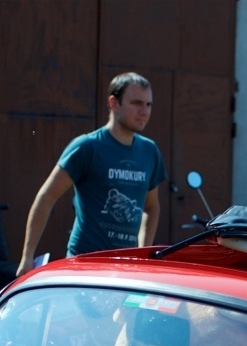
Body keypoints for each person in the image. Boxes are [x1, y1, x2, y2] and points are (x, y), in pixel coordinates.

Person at [18, 72, 165, 273]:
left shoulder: (149, 151)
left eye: (149, 105)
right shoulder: (87, 146)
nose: (144, 111)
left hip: (126, 269)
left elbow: (151, 206)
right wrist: (27, 257)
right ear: (113, 103)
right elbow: (46, 197)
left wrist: (142, 255)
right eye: (137, 103)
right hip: (85, 266)